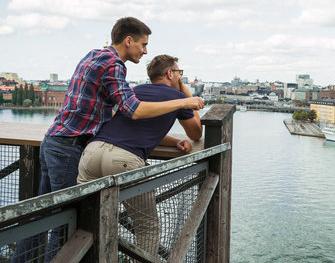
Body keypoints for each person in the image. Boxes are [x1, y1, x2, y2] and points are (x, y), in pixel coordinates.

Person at [11, 18, 204, 263]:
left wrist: (171, 140)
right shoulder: (115, 65)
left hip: (55, 141)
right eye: (143, 44)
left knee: (41, 217)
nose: (145, 51)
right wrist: (184, 100)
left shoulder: (94, 55)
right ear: (128, 40)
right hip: (72, 147)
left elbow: (122, 116)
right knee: (66, 224)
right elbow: (132, 110)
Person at [77, 54, 202, 260]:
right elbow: (196, 133)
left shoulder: (134, 92)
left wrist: (173, 142)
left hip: (92, 152)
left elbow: (132, 128)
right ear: (170, 74)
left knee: (88, 222)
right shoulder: (178, 98)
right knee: (147, 227)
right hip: (124, 160)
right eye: (180, 73)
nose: (181, 77)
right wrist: (186, 94)